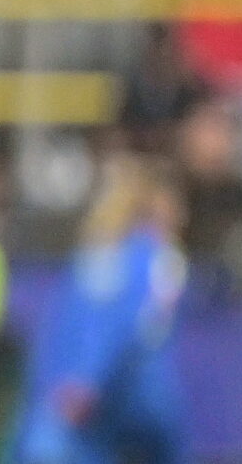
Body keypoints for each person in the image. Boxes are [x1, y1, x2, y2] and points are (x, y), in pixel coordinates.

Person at [17, 159, 188, 464]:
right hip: (127, 389)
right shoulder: (153, 258)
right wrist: (87, 379)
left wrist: (78, 378)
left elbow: (70, 328)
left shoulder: (98, 257)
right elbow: (123, 324)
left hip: (91, 391)